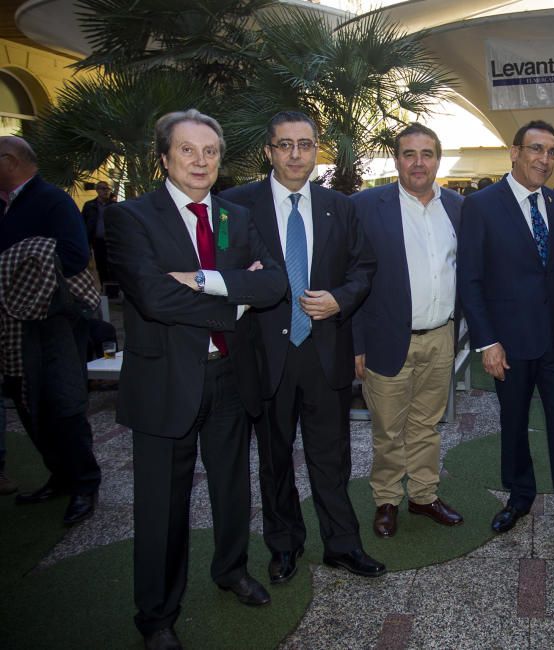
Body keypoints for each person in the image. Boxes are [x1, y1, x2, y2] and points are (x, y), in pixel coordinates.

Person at [105, 110, 287, 650]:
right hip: (165, 384)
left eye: (210, 151)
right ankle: (156, 615)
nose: (201, 161)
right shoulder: (131, 218)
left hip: (232, 376)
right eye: (188, 150)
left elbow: (274, 283)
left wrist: (205, 280)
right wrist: (233, 299)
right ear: (164, 157)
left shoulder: (234, 215)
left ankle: (231, 570)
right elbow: (153, 297)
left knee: (233, 489)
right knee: (162, 505)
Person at [220, 111, 382, 582]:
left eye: (305, 145)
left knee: (331, 458)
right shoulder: (235, 205)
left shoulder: (341, 206)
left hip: (325, 351)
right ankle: (284, 546)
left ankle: (342, 545)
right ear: (269, 151)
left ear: (317, 150)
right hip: (266, 355)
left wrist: (340, 299)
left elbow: (364, 269)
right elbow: (223, 269)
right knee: (274, 460)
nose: (296, 154)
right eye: (285, 145)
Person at [458, 120, 554, 555]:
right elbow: (470, 279)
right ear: (515, 151)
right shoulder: (482, 206)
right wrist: (487, 342)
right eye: (536, 150)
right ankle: (518, 497)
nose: (544, 160)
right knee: (513, 427)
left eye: (551, 152)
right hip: (508, 344)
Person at [351, 123, 464, 538]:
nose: (419, 162)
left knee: (426, 425)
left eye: (427, 154)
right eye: (409, 154)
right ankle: (386, 499)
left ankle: (423, 495)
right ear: (396, 159)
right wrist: (356, 342)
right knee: (387, 429)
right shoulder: (365, 206)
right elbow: (353, 278)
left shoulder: (456, 206)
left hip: (440, 337)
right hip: (385, 339)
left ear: (438, 159)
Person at [0, 135, 101, 525]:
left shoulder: (51, 200)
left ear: (11, 161)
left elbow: (75, 257)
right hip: (14, 323)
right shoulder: (6, 206)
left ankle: (84, 482)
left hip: (55, 319)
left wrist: (19, 262)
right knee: (26, 399)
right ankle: (59, 475)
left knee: (64, 400)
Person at [81, 180, 115, 294]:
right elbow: (83, 223)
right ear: (97, 190)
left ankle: (113, 291)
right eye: (102, 189)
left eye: (107, 189)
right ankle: (104, 290)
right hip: (97, 241)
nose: (105, 191)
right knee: (101, 266)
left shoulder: (114, 206)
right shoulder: (89, 206)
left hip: (112, 241)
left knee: (113, 266)